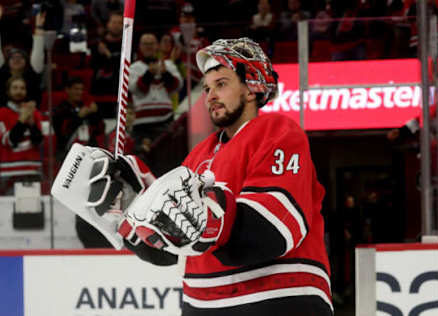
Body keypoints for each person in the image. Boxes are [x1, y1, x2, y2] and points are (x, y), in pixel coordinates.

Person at [53, 37, 333, 315]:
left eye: (221, 84)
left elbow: (272, 232)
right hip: (202, 303)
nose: (210, 95)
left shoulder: (277, 131)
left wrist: (207, 220)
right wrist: (131, 212)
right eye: (206, 87)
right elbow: (169, 253)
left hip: (279, 296)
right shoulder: (198, 155)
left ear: (252, 88)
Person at [0, 4, 45, 109]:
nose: (17, 60)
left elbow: (38, 49)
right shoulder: (0, 71)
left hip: (29, 116)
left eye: (20, 58)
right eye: (13, 57)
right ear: (7, 61)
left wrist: (39, 26)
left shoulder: (33, 74)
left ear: (26, 62)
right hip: (3, 118)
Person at [0, 76, 43, 195]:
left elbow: (38, 141)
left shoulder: (35, 113)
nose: (19, 91)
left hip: (33, 169)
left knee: (34, 210)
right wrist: (22, 120)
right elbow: (9, 141)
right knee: (8, 210)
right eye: (15, 88)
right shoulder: (0, 113)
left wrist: (31, 122)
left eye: (22, 88)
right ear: (8, 91)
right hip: (10, 172)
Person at [129, 32, 183, 141]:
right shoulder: (133, 68)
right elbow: (137, 90)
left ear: (157, 45)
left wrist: (165, 74)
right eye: (145, 44)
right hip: (142, 124)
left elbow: (177, 87)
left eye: (151, 43)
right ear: (140, 46)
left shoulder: (168, 65)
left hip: (166, 120)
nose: (148, 46)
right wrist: (149, 74)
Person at [52, 77, 106, 163]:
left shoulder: (87, 108)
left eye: (82, 89)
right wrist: (79, 117)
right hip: (67, 152)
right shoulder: (60, 110)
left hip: (88, 151)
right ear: (67, 90)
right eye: (76, 89)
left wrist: (96, 113)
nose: (80, 92)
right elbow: (62, 133)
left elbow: (100, 129)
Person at [90, 10, 123, 96]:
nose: (116, 25)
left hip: (119, 89)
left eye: (119, 23)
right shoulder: (96, 44)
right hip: (99, 90)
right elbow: (93, 65)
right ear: (108, 24)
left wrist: (107, 53)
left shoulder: (127, 45)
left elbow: (122, 66)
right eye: (113, 22)